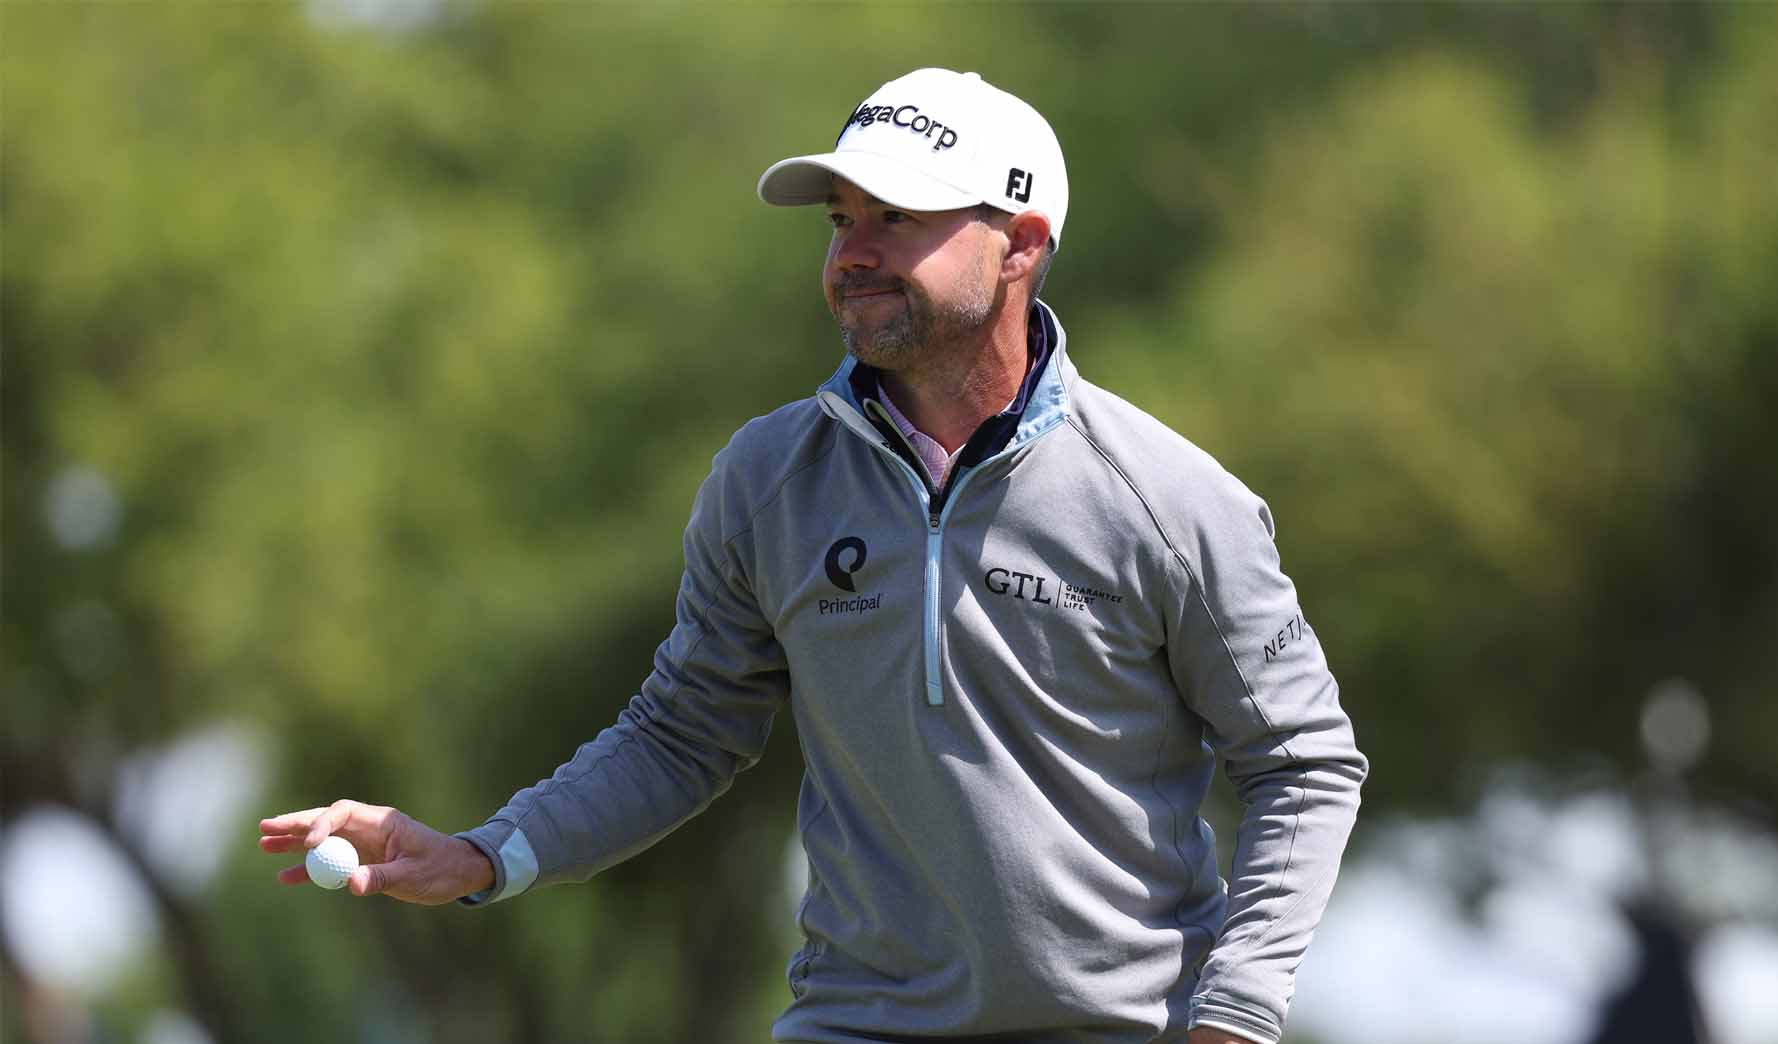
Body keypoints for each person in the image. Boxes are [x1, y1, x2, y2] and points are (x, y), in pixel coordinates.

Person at [261, 67, 1366, 1044]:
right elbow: (681, 734)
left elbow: (1302, 763)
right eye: (840, 220)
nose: (852, 254)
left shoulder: (1172, 500)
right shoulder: (765, 479)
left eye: (897, 217)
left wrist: (1234, 1014)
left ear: (1020, 242)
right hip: (855, 1023)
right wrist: (485, 854)